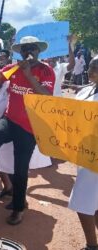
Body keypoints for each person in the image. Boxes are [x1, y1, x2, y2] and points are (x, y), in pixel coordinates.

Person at [0, 36, 55, 225]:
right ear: (20, 52)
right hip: (10, 120)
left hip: (30, 127)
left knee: (20, 170)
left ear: (39, 50)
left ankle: (18, 208)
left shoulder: (46, 71)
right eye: (24, 49)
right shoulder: (13, 68)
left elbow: (46, 96)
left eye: (32, 48)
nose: (28, 51)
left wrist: (29, 74)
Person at [68, 57, 98, 250]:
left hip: (95, 157)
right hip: (84, 152)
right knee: (93, 202)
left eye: (95, 67)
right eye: (90, 66)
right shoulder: (86, 90)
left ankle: (91, 246)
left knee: (80, 201)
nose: (90, 69)